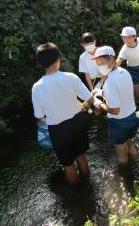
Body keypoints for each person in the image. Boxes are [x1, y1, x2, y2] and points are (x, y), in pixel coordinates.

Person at [32, 43, 94, 184]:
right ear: (59, 58)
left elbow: (39, 115)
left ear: (41, 63)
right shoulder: (70, 77)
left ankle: (77, 194)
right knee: (80, 155)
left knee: (67, 163)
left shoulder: (37, 87)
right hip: (77, 122)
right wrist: (84, 106)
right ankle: (89, 184)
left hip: (58, 129)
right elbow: (90, 98)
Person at [91, 46, 139, 165]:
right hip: (132, 117)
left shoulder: (110, 82)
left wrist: (99, 103)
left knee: (121, 155)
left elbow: (115, 110)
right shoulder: (124, 71)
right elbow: (122, 92)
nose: (100, 66)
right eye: (98, 63)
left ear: (112, 61)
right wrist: (101, 92)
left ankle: (127, 177)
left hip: (119, 123)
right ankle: (137, 164)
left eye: (102, 62)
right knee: (130, 144)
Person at [116, 26, 139, 104]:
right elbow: (119, 60)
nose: (126, 40)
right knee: (136, 90)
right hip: (132, 69)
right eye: (124, 38)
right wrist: (110, 69)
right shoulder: (124, 49)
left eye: (129, 37)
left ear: (135, 37)